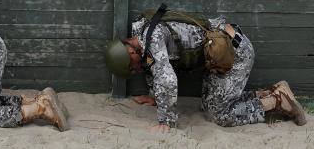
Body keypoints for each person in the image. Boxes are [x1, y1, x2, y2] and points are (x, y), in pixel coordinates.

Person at [104, 8, 308, 131]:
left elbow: (166, 80)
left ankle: (277, 102)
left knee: (220, 116)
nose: (138, 68)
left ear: (131, 52)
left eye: (134, 66)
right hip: (217, 56)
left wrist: (166, 121)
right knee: (209, 107)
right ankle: (270, 93)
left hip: (234, 54)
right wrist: (154, 97)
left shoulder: (152, 36)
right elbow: (154, 66)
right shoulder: (141, 34)